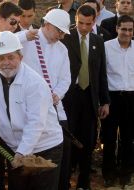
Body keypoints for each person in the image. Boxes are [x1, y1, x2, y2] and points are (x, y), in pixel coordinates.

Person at [0, 31, 63, 190]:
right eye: (1, 58)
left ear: (20, 58)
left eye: (11, 57)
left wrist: (22, 153)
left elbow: (36, 123)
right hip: (14, 146)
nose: (6, 63)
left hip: (45, 147)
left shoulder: (35, 83)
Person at [21, 9, 71, 190]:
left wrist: (57, 94)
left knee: (58, 156)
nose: (62, 36)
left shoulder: (62, 49)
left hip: (56, 109)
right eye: (60, 31)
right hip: (28, 111)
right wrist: (23, 35)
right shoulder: (26, 41)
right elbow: (2, 45)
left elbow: (66, 78)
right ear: (48, 25)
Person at [61, 5, 110, 189]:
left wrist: (104, 101)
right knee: (67, 141)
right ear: (75, 20)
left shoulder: (98, 41)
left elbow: (101, 74)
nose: (83, 27)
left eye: (88, 24)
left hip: (89, 98)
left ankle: (84, 182)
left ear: (94, 22)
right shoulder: (65, 38)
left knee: (88, 142)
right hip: (69, 98)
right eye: (80, 23)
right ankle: (64, 181)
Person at [101, 15, 134, 188]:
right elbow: (101, 75)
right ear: (117, 29)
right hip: (112, 98)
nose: (127, 33)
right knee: (109, 138)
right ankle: (108, 172)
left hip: (132, 98)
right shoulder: (106, 47)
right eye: (123, 29)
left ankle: (126, 172)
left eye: (130, 30)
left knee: (128, 138)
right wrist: (104, 101)